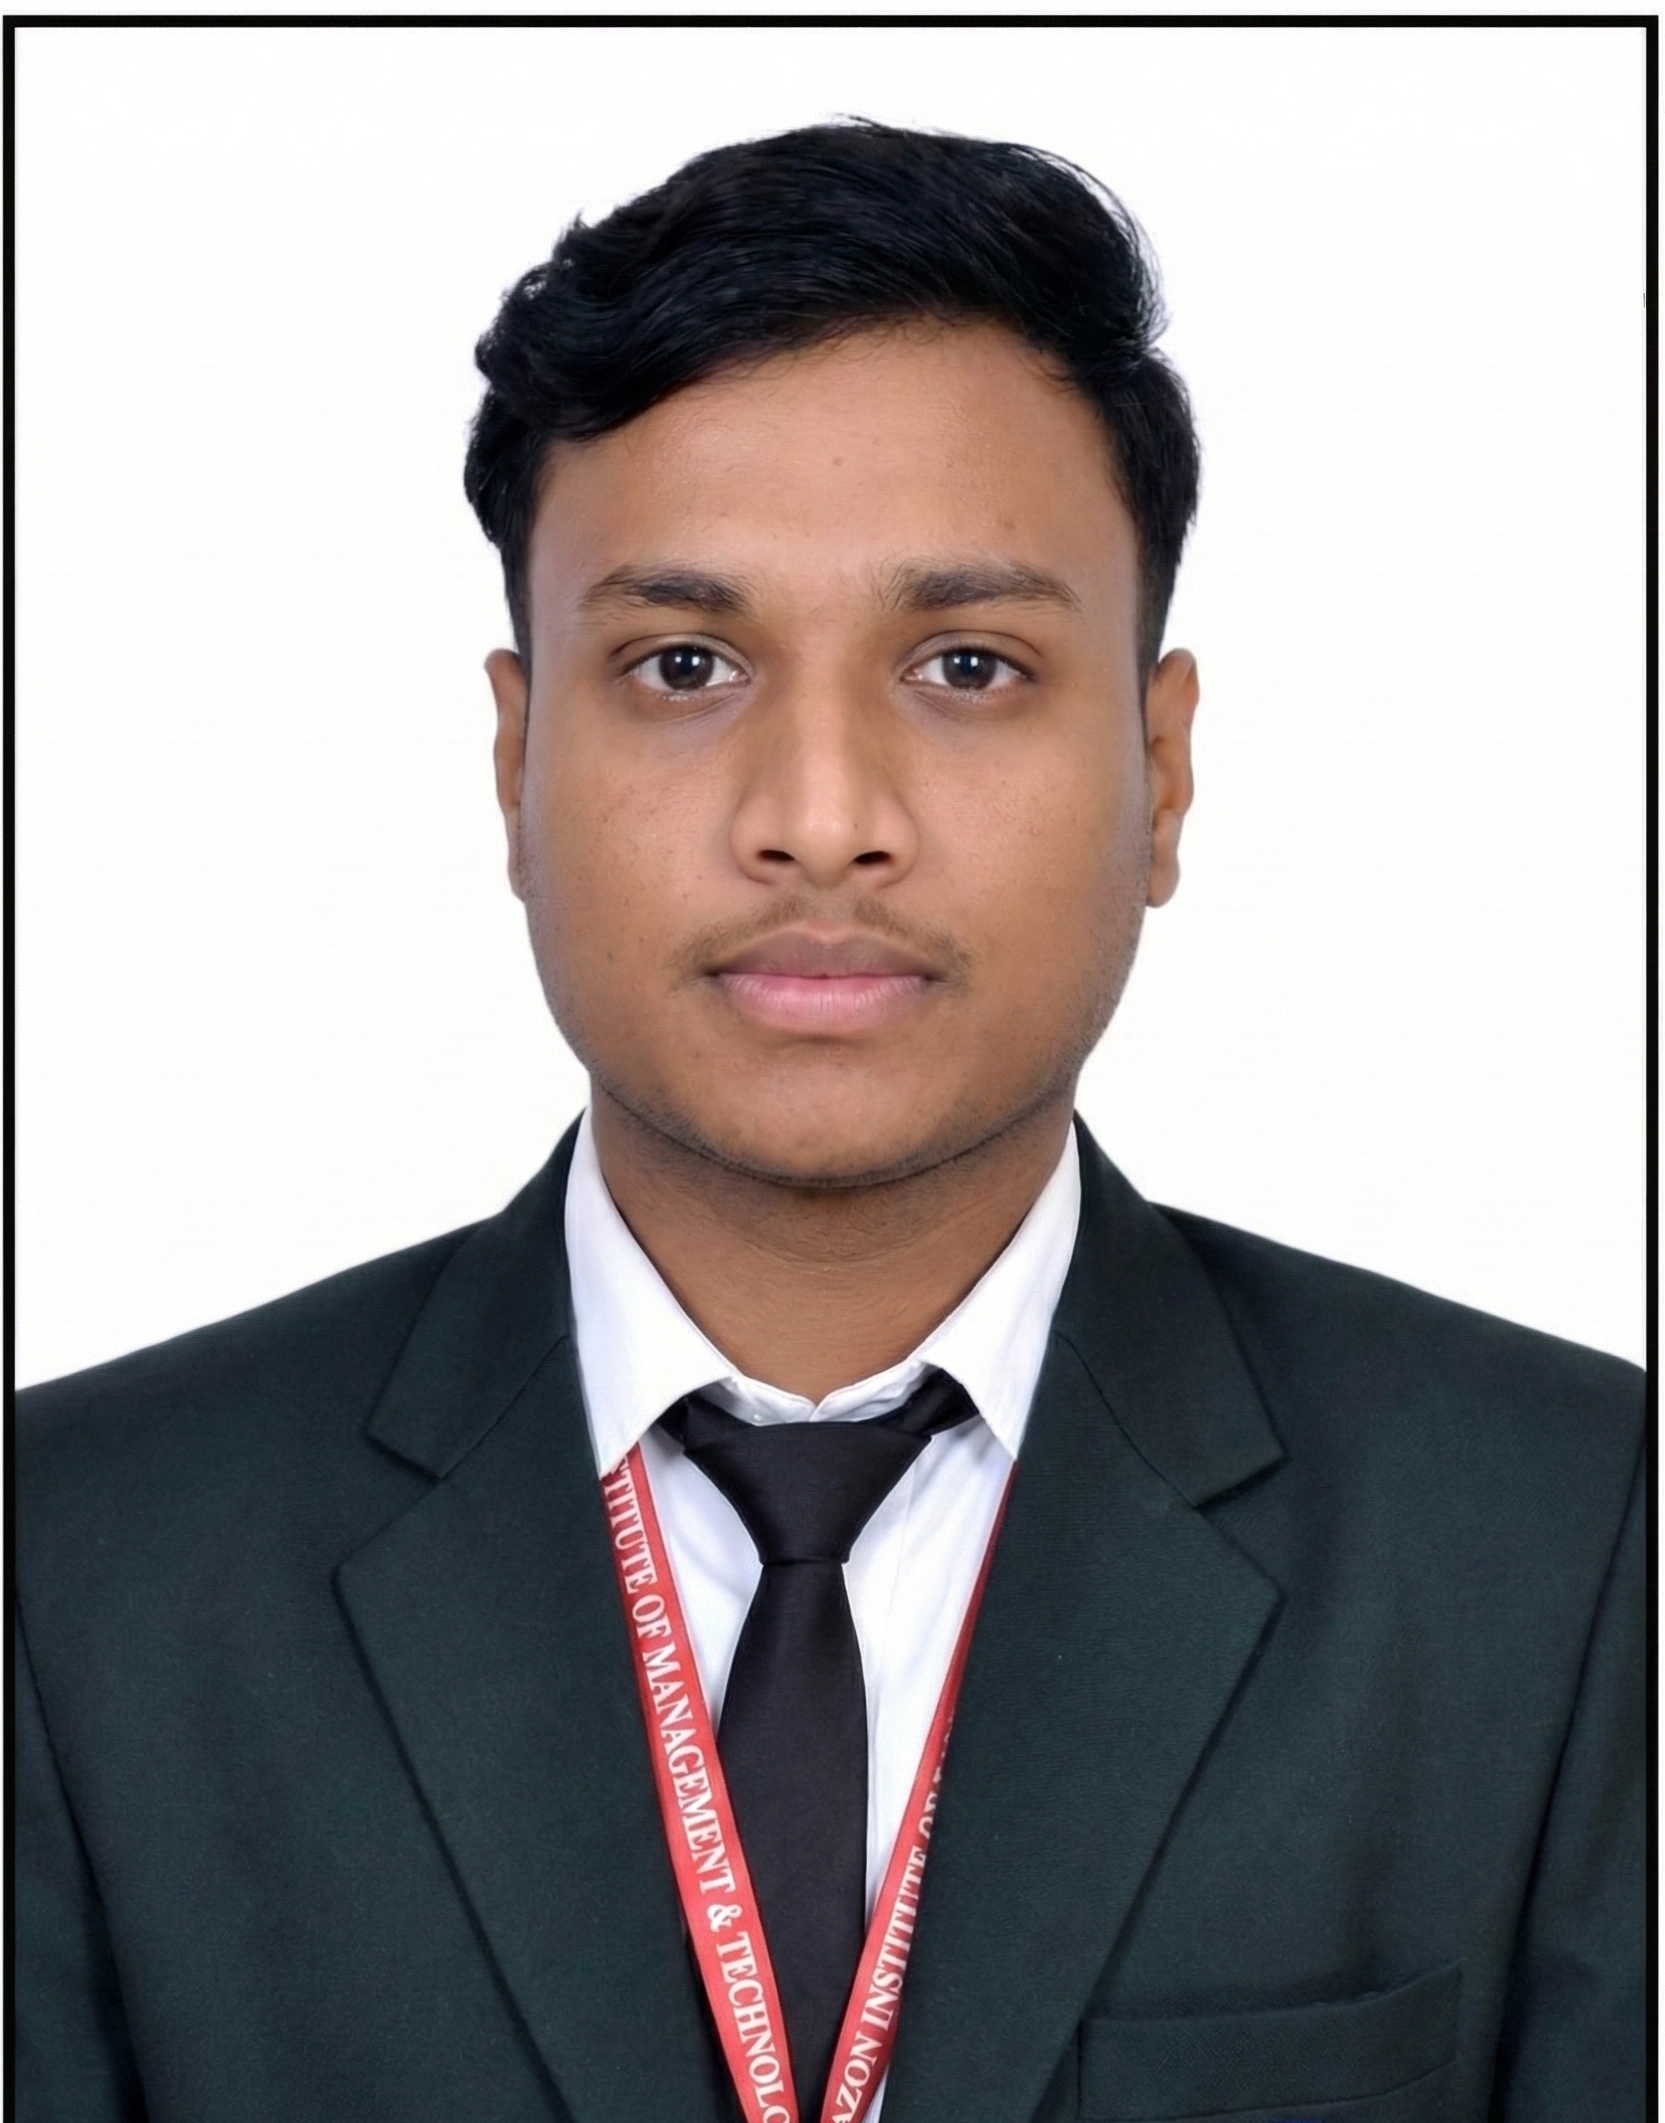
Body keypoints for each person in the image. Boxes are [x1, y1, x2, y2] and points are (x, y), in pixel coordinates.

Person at [16, 120, 1641, 2123]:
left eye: (967, 664)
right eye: (683, 663)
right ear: (515, 761)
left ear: (1160, 771)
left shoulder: (1573, 1545)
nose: (819, 813)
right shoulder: (74, 1571)